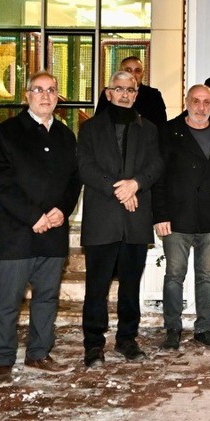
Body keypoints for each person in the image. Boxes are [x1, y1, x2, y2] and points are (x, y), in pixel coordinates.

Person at [0, 71, 81, 383]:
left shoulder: (66, 136)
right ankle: (2, 360)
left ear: (57, 97)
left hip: (54, 233)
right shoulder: (6, 132)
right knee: (8, 301)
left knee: (47, 298)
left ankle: (39, 353)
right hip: (17, 233)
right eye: (38, 90)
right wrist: (34, 217)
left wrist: (62, 210)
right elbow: (1, 183)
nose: (45, 95)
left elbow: (74, 181)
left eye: (51, 90)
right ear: (27, 95)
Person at [77, 71, 163, 367]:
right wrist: (120, 190)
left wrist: (135, 184)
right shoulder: (89, 128)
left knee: (130, 285)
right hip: (102, 218)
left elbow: (156, 164)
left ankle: (127, 339)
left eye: (130, 90)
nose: (125, 94)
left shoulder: (149, 129)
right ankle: (93, 344)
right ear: (108, 93)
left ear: (136, 95)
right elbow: (85, 166)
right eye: (119, 89)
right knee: (96, 287)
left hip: (135, 220)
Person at [154, 84, 210, 350]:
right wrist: (160, 214)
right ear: (186, 102)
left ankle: (204, 328)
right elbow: (158, 177)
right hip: (177, 218)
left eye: (206, 102)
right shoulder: (168, 131)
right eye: (196, 101)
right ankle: (172, 328)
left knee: (207, 276)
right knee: (174, 275)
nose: (201, 107)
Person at [117, 56, 167, 128]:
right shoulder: (109, 93)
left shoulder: (153, 95)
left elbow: (161, 126)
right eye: (128, 70)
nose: (133, 75)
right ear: (120, 73)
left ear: (142, 74)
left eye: (137, 71)